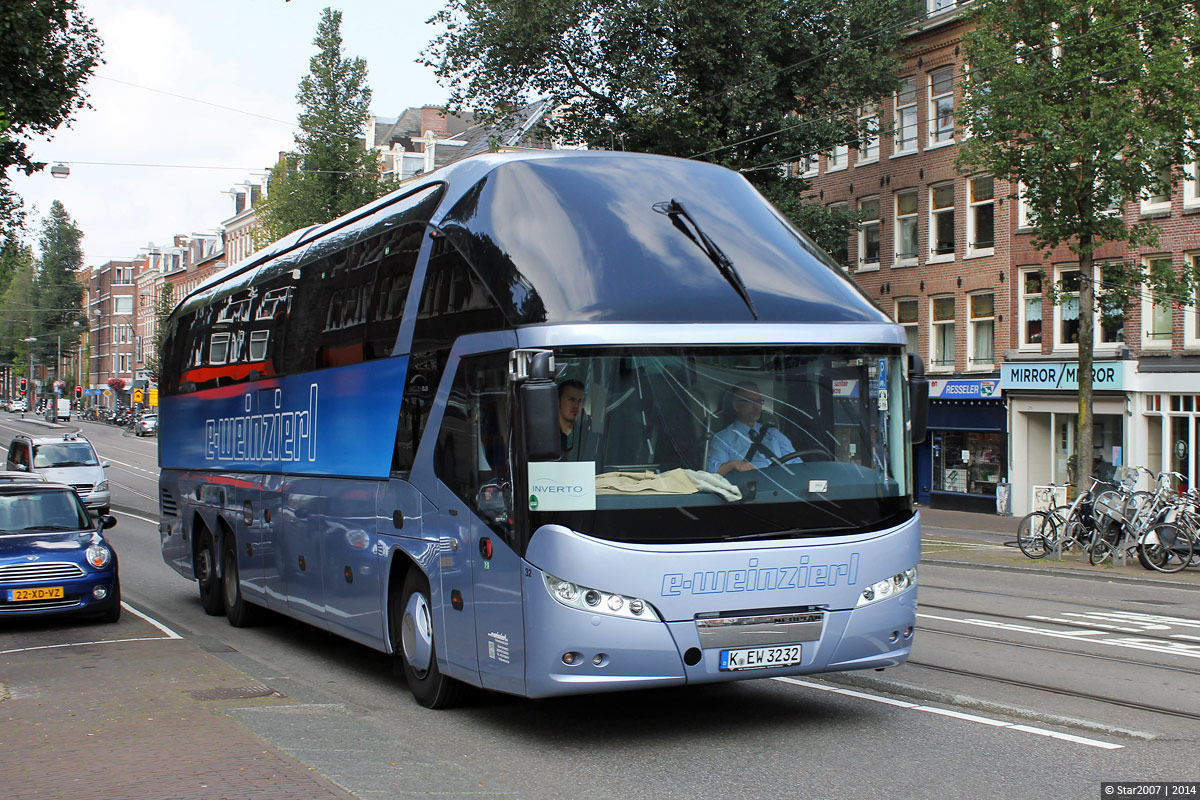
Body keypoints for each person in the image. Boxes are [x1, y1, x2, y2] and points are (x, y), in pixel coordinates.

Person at [707, 382, 800, 476]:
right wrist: (732, 465)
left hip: (781, 484)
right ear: (736, 405)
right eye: (750, 401)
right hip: (749, 487)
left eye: (759, 401)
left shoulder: (773, 433)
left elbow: (797, 464)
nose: (757, 406)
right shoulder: (723, 438)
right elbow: (711, 471)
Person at [557, 379, 585, 457]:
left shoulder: (589, 438)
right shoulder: (546, 437)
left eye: (580, 401)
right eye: (571, 399)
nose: (576, 406)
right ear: (558, 401)